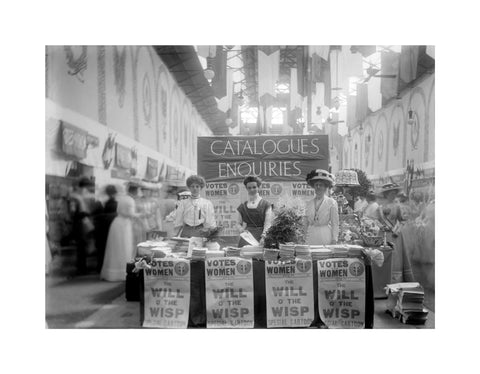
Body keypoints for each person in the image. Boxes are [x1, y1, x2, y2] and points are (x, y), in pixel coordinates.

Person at [101, 182, 141, 281]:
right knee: (124, 248)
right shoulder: (130, 200)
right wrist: (142, 215)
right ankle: (122, 272)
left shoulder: (122, 198)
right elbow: (131, 214)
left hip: (116, 223)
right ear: (135, 191)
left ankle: (111, 273)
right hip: (124, 225)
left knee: (114, 249)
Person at [379, 183, 414, 282]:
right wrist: (381, 226)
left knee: (396, 257)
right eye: (391, 193)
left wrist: (397, 229)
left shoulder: (397, 206)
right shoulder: (380, 207)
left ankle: (395, 280)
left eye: (394, 193)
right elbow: (376, 221)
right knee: (383, 256)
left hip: (395, 236)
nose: (393, 195)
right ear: (386, 194)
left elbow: (402, 220)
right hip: (383, 235)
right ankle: (383, 279)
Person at [69, 177, 96, 275]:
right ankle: (83, 268)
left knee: (81, 247)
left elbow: (73, 212)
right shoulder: (79, 197)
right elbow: (73, 213)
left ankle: (82, 268)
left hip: (81, 224)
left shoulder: (76, 196)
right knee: (84, 245)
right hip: (85, 223)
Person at [304, 169, 339, 245]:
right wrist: (304, 237)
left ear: (326, 187)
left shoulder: (331, 202)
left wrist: (334, 239)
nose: (318, 187)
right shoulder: (309, 203)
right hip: (311, 235)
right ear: (313, 186)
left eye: (321, 185)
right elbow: (306, 223)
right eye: (316, 185)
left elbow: (335, 223)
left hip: (325, 234)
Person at [236, 176, 273, 247]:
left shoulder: (266, 204)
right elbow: (238, 223)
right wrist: (241, 230)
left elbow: (267, 223)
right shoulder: (242, 206)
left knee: (260, 256)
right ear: (246, 188)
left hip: (261, 236)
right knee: (244, 256)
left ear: (258, 187)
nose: (252, 190)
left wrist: (264, 237)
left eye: (254, 187)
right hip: (247, 237)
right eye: (249, 188)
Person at [95, 184, 118, 273]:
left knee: (103, 248)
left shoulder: (102, 202)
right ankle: (105, 266)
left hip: (103, 227)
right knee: (108, 247)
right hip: (110, 226)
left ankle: (101, 266)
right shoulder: (115, 203)